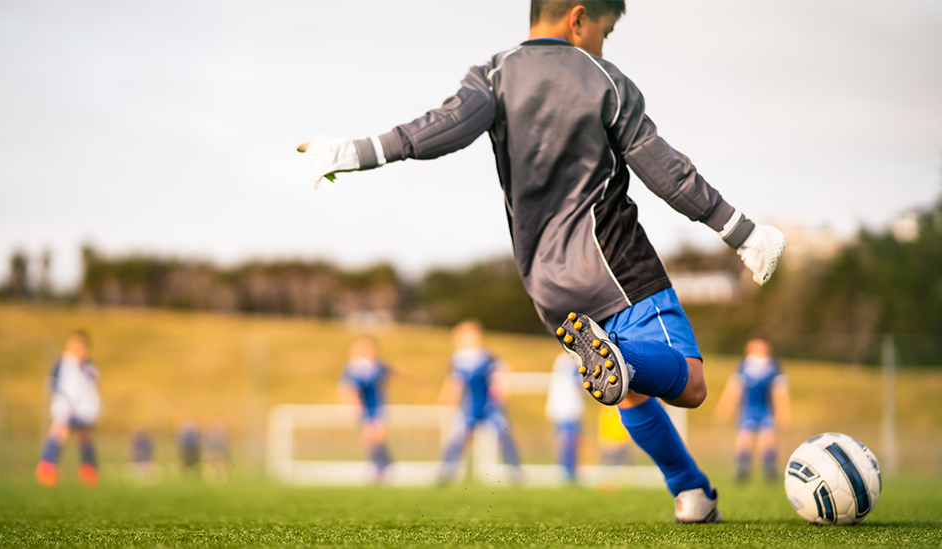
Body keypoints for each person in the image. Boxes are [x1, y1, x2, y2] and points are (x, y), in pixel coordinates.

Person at [297, 0, 784, 521]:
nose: (603, 43)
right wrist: (741, 231)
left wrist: (353, 151)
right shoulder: (605, 80)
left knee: (629, 392)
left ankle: (692, 492)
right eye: (605, 30)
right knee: (688, 383)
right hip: (615, 262)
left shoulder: (493, 74)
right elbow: (667, 171)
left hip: (546, 286)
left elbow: (438, 129)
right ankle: (625, 363)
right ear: (578, 18)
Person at [436, 320, 521, 484]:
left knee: (504, 433)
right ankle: (446, 471)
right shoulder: (456, 359)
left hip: (490, 405)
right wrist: (446, 397)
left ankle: (514, 471)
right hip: (469, 406)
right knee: (458, 437)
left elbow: (503, 370)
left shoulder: (487, 356)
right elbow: (455, 382)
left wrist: (503, 387)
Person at [714, 337, 791, 481]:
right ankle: (742, 468)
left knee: (768, 438)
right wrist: (725, 406)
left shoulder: (773, 366)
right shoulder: (743, 365)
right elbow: (735, 388)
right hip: (748, 409)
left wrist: (783, 409)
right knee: (745, 438)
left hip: (766, 409)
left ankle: (770, 469)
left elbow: (779, 390)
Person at [36, 330, 102, 487]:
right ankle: (46, 467)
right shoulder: (63, 363)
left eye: (81, 347)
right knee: (60, 432)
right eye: (75, 346)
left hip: (83, 408)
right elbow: (52, 382)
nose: (78, 350)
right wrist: (63, 399)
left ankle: (89, 469)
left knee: (84, 436)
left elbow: (95, 380)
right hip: (65, 406)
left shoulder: (88, 365)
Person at [338, 337, 393, 482]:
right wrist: (352, 402)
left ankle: (382, 465)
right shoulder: (352, 368)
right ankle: (383, 463)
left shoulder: (379, 366)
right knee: (369, 438)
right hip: (362, 408)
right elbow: (347, 387)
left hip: (378, 406)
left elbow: (394, 371)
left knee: (377, 436)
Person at [545, 352, 586, 483]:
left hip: (565, 408)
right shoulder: (570, 361)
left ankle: (568, 471)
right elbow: (579, 382)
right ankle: (568, 472)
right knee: (568, 441)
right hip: (567, 409)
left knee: (568, 441)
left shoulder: (563, 360)